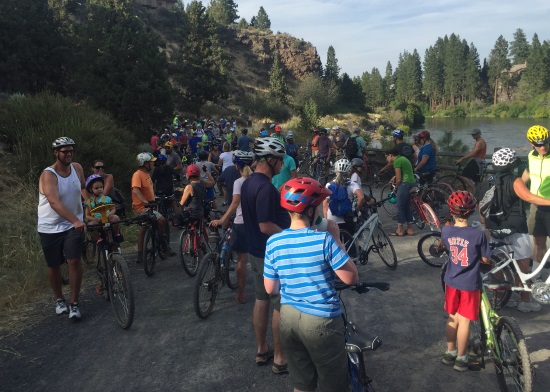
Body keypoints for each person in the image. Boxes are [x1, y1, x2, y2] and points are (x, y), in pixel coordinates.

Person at [264, 177, 358, 391]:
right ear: (310, 211)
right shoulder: (323, 240)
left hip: (288, 317)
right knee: (332, 382)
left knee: (301, 382)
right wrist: (337, 239)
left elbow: (271, 289)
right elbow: (351, 278)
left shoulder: (274, 242)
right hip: (321, 321)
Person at [478, 148, 550, 312]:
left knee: (500, 264)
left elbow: (481, 204)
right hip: (514, 227)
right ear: (511, 164)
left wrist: (484, 224)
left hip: (494, 225)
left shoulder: (491, 179)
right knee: (522, 264)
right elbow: (529, 197)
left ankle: (499, 298)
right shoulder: (514, 180)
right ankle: (525, 301)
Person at [240, 137, 290, 373]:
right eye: (280, 160)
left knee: (261, 300)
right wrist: (290, 237)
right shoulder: (266, 188)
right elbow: (265, 225)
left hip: (255, 251)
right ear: (270, 159)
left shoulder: (248, 182)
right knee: (279, 305)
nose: (282, 164)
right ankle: (280, 358)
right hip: (271, 255)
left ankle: (262, 350)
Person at [441, 191, 491, 372]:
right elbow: (485, 260)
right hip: (470, 284)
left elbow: (448, 247)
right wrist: (487, 237)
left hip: (451, 281)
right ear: (471, 212)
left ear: (451, 210)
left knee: (452, 318)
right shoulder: (478, 235)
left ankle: (450, 352)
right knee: (465, 321)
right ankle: (462, 359)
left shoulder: (446, 230)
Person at [38, 137, 86, 320]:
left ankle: (74, 304)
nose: (69, 154)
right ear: (56, 153)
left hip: (73, 225)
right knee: (54, 265)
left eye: (71, 151)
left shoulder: (77, 168)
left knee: (74, 260)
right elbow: (54, 202)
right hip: (50, 226)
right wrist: (75, 220)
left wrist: (91, 204)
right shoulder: (48, 174)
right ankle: (59, 299)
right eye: (65, 151)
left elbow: (82, 189)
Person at [210, 151, 254, 304]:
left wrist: (223, 219)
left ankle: (241, 294)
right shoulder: (257, 180)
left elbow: (235, 203)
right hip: (255, 224)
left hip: (241, 223)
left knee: (241, 260)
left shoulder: (239, 182)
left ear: (237, 165)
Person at [131, 152, 173, 263]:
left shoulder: (147, 174)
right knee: (161, 220)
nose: (153, 164)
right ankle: (164, 246)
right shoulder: (138, 174)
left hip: (150, 205)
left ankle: (141, 254)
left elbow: (148, 190)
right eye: (151, 162)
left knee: (146, 228)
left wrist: (154, 198)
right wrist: (146, 202)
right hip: (142, 207)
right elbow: (135, 190)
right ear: (144, 164)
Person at [523, 125, 550, 267]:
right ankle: (539, 273)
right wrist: (518, 189)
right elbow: (527, 174)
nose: (543, 147)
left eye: (545, 142)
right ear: (532, 144)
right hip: (535, 205)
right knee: (538, 242)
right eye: (539, 145)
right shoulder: (531, 156)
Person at [323, 159, 369, 237]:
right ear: (349, 171)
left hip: (332, 219)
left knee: (334, 243)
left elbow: (325, 204)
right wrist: (355, 211)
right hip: (347, 218)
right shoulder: (352, 184)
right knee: (350, 243)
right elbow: (361, 197)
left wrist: (326, 219)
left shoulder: (328, 185)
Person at [385, 147, 416, 236]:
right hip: (412, 183)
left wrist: (396, 188)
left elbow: (398, 179)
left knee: (400, 207)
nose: (386, 159)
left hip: (405, 184)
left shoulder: (397, 161)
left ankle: (400, 230)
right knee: (407, 206)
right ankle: (410, 229)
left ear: (391, 155)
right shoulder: (403, 158)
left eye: (386, 157)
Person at [84, 174, 122, 242]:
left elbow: (113, 209)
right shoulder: (89, 202)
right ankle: (98, 239)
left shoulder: (107, 199)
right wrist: (95, 219)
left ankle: (116, 234)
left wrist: (109, 215)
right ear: (90, 189)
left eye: (101, 187)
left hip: (108, 219)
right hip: (98, 222)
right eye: (96, 188)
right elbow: (87, 215)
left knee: (116, 218)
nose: (100, 189)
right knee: (90, 225)